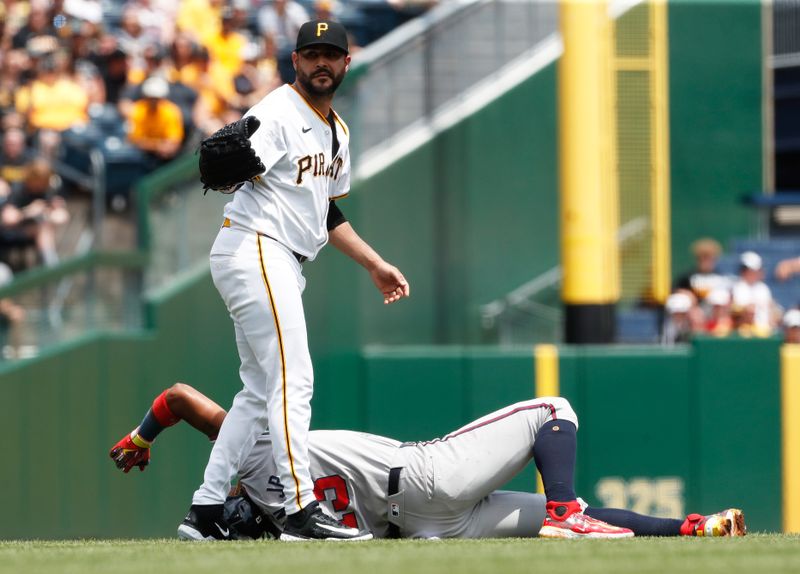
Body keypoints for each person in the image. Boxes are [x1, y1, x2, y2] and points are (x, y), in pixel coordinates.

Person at [185, 20, 410, 542]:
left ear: (346, 62)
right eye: (311, 54)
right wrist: (228, 167)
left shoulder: (338, 131)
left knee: (259, 390)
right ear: (295, 61)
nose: (320, 64)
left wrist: (374, 263)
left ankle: (206, 507)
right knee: (295, 377)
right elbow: (230, 163)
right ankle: (301, 508)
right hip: (257, 246)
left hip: (275, 256)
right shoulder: (278, 111)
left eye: (330, 54)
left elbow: (324, 210)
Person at [110, 382, 747, 540]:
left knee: (559, 524)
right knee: (554, 409)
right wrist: (142, 437)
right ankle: (566, 509)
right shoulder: (251, 456)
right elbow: (181, 398)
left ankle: (692, 528)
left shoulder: (286, 526)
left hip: (425, 528)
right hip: (424, 477)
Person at [731, 251, 778, 338]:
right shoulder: (737, 288)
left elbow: (771, 310)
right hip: (745, 333)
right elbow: (736, 313)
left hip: (765, 332)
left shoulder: (763, 288)